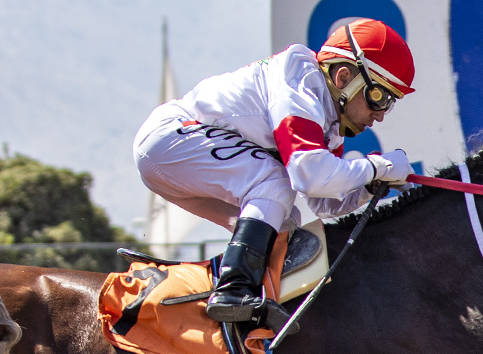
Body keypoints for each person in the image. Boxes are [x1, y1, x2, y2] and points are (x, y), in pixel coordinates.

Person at [132, 19, 416, 327]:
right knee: (276, 184)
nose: (380, 115)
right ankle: (234, 290)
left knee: (285, 222)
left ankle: (238, 299)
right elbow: (310, 176)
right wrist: (379, 167)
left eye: (390, 103)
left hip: (173, 152)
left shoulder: (328, 118)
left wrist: (369, 186)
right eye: (379, 97)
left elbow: (323, 203)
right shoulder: (300, 85)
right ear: (344, 76)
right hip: (170, 137)